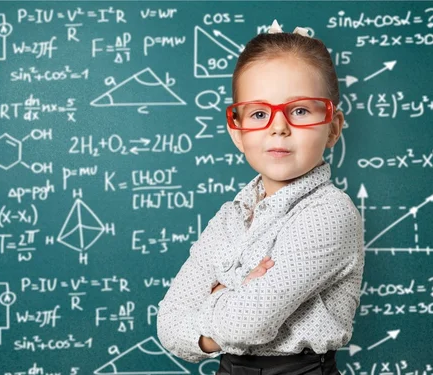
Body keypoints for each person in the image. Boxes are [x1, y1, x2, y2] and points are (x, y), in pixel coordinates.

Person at [157, 19, 365, 375]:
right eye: (258, 113)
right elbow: (169, 326)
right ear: (237, 132)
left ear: (333, 128)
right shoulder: (230, 217)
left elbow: (248, 324)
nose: (278, 126)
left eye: (300, 110)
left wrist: (218, 294)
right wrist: (238, 296)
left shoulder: (331, 212)